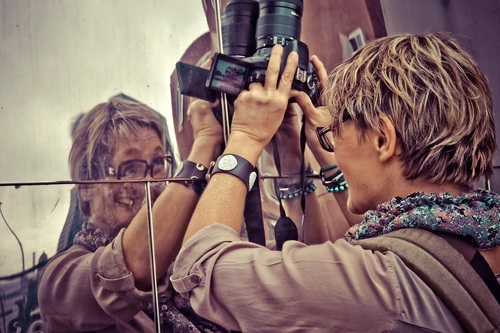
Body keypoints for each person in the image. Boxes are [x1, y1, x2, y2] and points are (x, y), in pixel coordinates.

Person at [171, 33, 500, 332]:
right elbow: (408, 244)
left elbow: (200, 271)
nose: (335, 141)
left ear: (383, 138)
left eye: (339, 130)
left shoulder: (379, 284)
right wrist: (323, 145)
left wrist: (245, 136)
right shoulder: (479, 228)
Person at [38, 97, 231, 332]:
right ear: (86, 186)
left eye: (158, 163)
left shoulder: (183, 256)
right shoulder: (59, 278)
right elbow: (134, 267)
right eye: (130, 167)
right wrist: (206, 142)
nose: (151, 182)